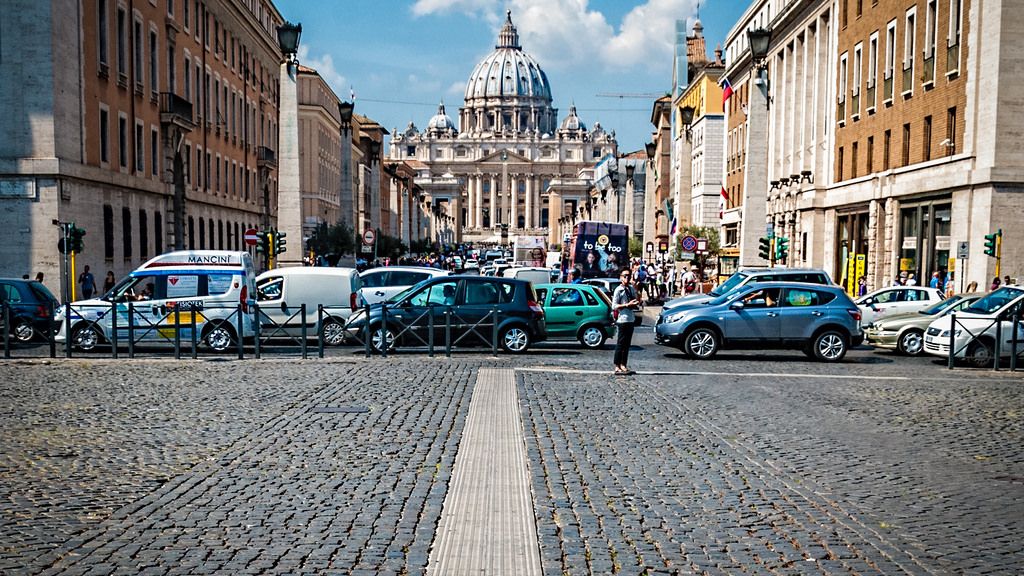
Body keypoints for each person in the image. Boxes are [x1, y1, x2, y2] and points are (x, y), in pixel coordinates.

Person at [612, 270, 640, 375]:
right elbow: (614, 305)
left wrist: (635, 301)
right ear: (621, 277)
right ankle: (617, 365)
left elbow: (635, 300)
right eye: (625, 276)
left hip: (630, 318)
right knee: (621, 344)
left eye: (629, 276)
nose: (627, 278)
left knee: (627, 345)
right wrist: (626, 305)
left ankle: (624, 364)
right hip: (622, 319)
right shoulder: (618, 290)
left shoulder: (631, 288)